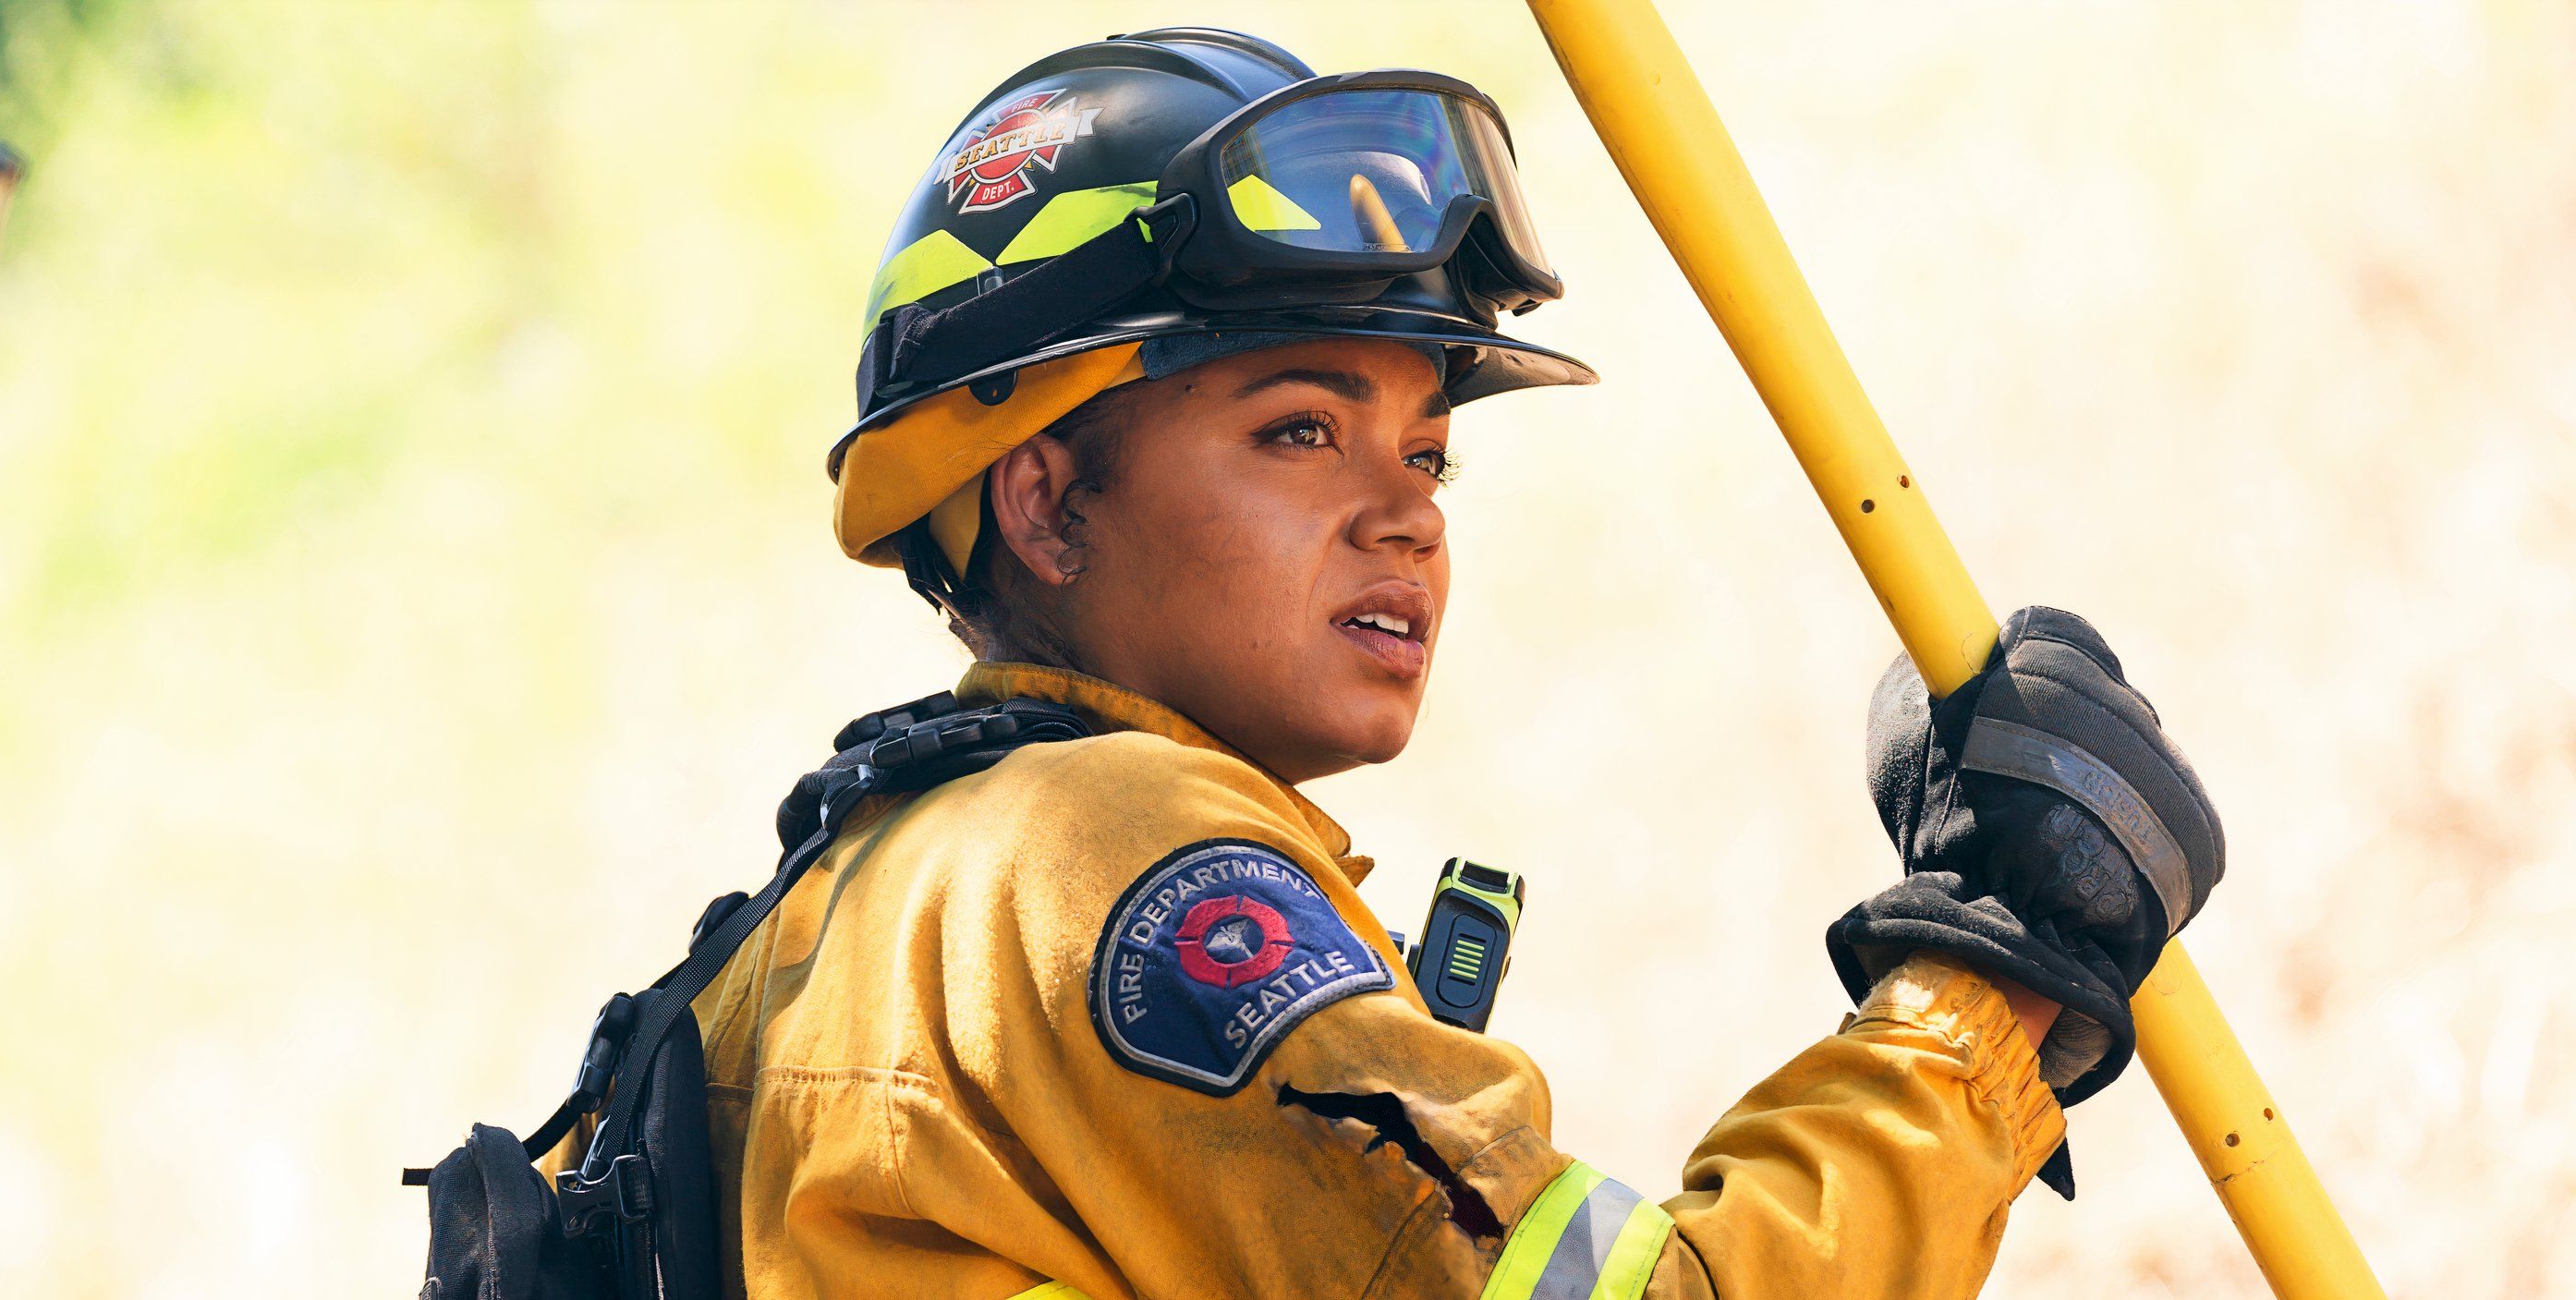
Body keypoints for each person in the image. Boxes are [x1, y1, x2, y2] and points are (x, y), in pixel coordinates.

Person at [579, 27, 2226, 1300]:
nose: (1404, 519)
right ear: (1046, 503)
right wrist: (1987, 995)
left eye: (1427, 456)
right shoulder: (1093, 860)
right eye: (1298, 429)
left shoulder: (854, 908)